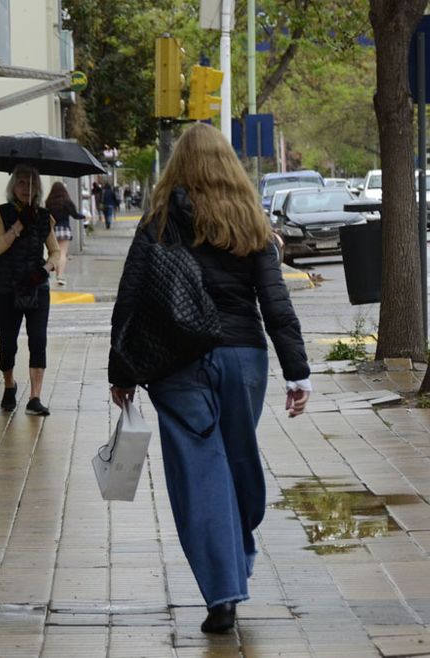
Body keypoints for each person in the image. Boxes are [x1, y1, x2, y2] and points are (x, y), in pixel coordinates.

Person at [108, 123, 312, 635]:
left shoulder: (158, 220)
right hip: (243, 359)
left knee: (200, 474)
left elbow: (130, 296)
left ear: (179, 165)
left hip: (178, 362)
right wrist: (297, 372)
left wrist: (123, 370)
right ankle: (237, 551)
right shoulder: (252, 221)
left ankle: (223, 592)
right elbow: (275, 303)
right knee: (238, 459)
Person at [0, 164, 59, 416]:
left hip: (35, 286)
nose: (26, 188)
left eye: (31, 183)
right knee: (8, 344)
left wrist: (47, 267)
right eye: (21, 182)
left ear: (37, 187)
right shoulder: (1, 213)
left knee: (38, 340)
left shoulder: (44, 216)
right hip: (7, 287)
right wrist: (17, 227)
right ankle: (9, 385)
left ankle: (35, 397)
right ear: (13, 187)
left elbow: (55, 250)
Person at [44, 181, 85, 286]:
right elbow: (75, 215)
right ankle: (60, 276)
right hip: (64, 229)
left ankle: (56, 273)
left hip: (52, 230)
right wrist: (84, 216)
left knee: (54, 253)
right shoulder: (66, 201)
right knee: (62, 253)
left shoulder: (48, 202)